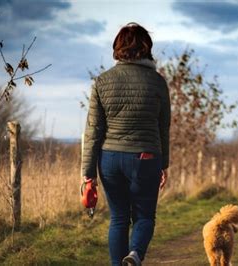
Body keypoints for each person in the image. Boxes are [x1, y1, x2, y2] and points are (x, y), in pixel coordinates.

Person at [81, 22, 170, 266]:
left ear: (118, 48)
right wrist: (165, 164)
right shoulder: (158, 82)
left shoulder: (102, 81)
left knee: (119, 218)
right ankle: (135, 255)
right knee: (144, 217)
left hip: (110, 159)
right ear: (146, 48)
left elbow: (93, 131)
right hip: (146, 158)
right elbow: (163, 127)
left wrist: (88, 174)